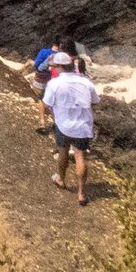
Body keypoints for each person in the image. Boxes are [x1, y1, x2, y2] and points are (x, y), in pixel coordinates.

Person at [41, 50, 99, 205]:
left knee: (63, 152)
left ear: (59, 66)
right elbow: (95, 100)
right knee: (80, 156)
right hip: (83, 125)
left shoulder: (54, 83)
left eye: (55, 66)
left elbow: (46, 103)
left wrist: (55, 109)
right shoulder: (86, 82)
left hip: (63, 124)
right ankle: (81, 193)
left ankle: (60, 178)